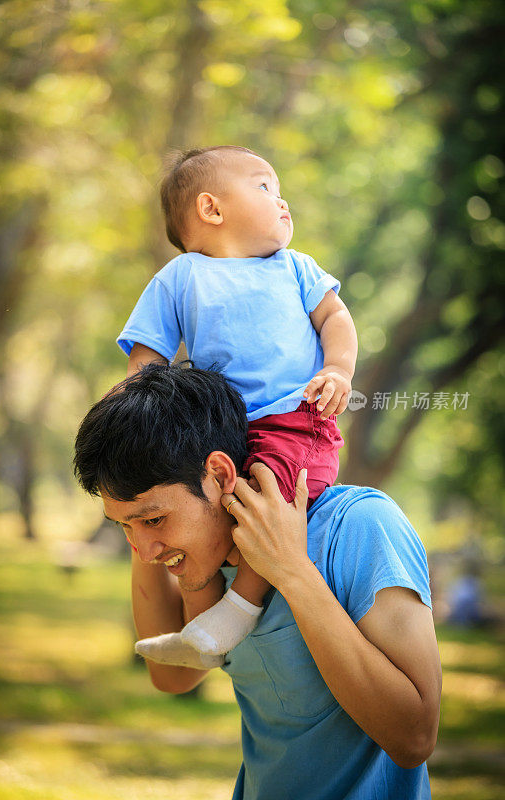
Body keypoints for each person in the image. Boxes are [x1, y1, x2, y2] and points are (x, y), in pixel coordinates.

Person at [74, 364, 441, 800]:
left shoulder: (362, 528)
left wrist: (291, 572)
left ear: (220, 475)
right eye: (125, 528)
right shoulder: (207, 562)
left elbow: (414, 738)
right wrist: (168, 548)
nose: (144, 550)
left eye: (155, 519)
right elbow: (171, 677)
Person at [115, 145, 358, 659]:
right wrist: (137, 425)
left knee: (261, 505)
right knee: (208, 507)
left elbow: (335, 318)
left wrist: (336, 368)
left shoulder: (295, 268)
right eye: (266, 187)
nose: (283, 201)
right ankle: (200, 622)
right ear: (212, 209)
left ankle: (229, 621)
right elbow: (147, 360)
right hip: (220, 429)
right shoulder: (181, 277)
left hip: (294, 419)